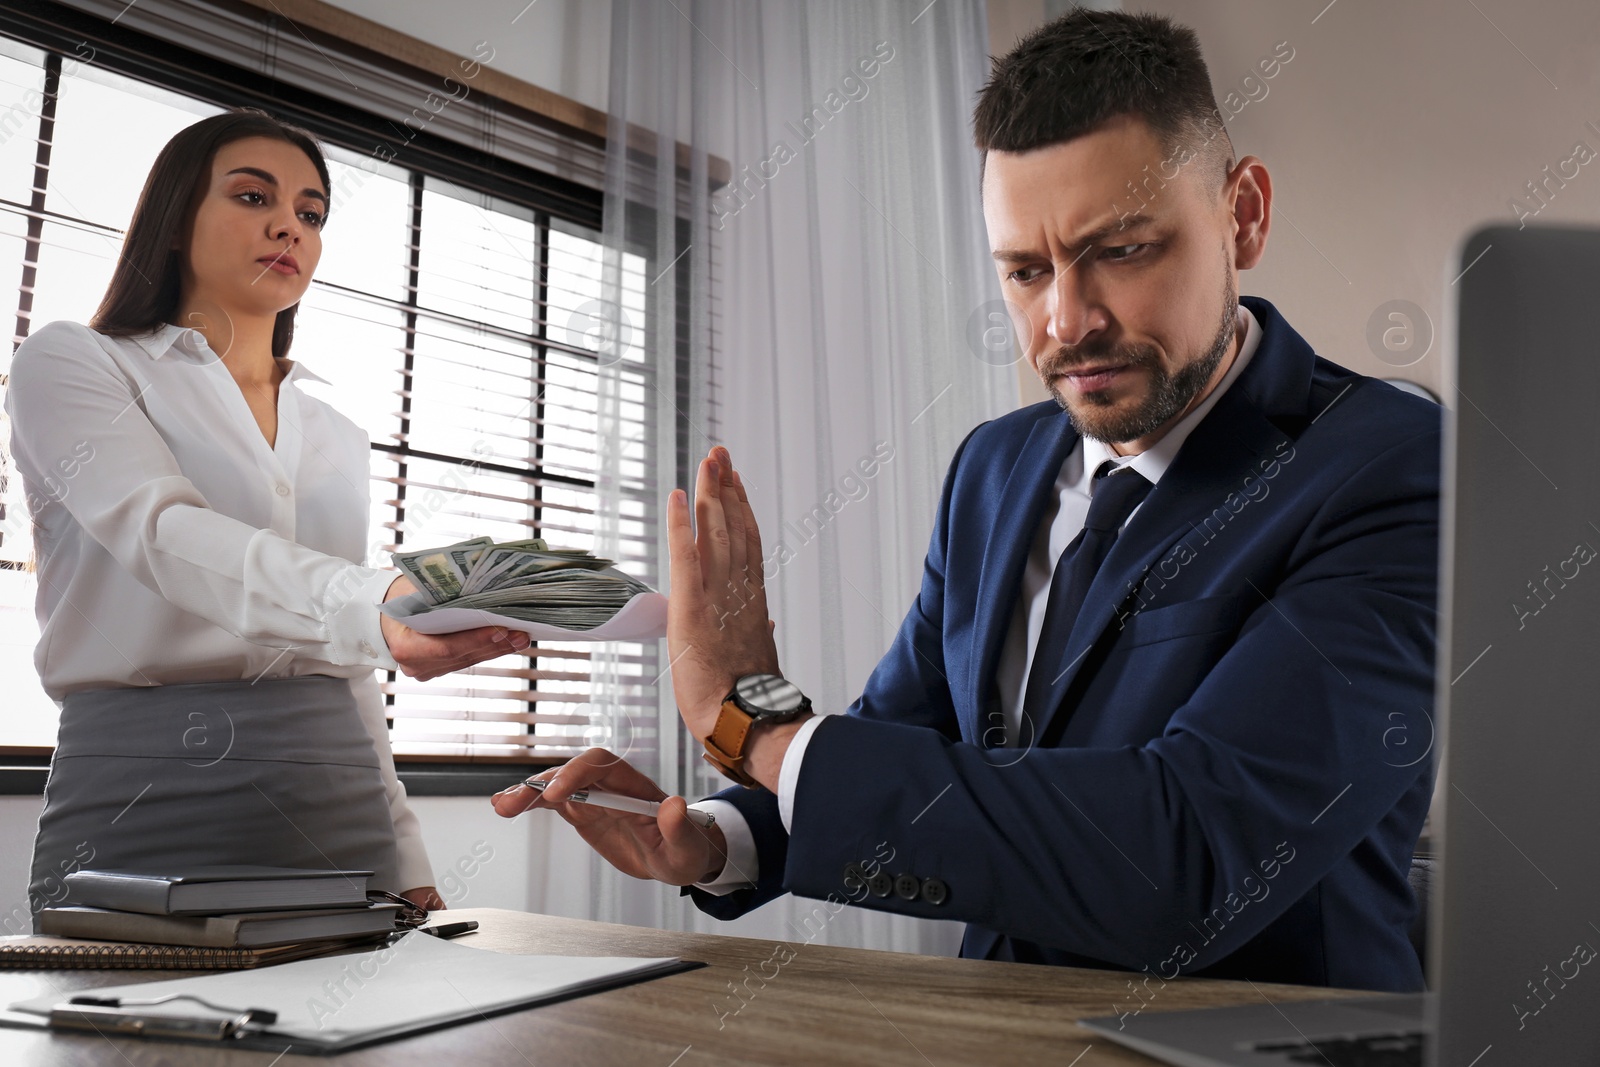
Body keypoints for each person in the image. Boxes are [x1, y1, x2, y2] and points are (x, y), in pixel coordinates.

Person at [492, 10, 1440, 992]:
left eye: (1121, 250)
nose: (1067, 319)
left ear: (1241, 214)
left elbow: (1191, 858)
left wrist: (751, 723)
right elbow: (905, 735)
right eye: (1026, 272)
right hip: (991, 1029)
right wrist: (718, 838)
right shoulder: (993, 466)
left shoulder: (1392, 466)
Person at [5, 108, 527, 926]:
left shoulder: (336, 434)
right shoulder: (73, 362)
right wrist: (374, 606)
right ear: (174, 221)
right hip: (143, 789)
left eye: (312, 213)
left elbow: (349, 654)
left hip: (336, 796)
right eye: (254, 197)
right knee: (111, 1041)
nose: (289, 224)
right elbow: (162, 532)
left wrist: (405, 846)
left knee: (361, 1043)